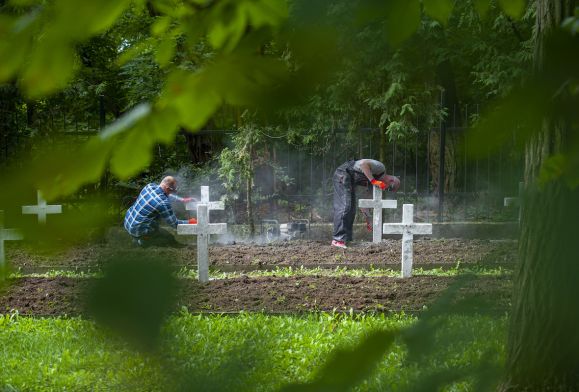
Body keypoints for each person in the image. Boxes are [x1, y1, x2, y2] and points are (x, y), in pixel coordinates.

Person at [332, 159, 400, 249]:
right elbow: (364, 164)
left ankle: (346, 239)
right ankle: (337, 240)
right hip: (343, 174)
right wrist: (372, 181)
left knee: (351, 209)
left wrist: (368, 218)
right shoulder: (380, 168)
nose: (385, 189)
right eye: (389, 189)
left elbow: (366, 202)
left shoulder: (375, 183)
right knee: (345, 207)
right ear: (391, 181)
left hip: (349, 180)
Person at [124, 176, 197, 247]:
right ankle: (142, 241)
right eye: (173, 190)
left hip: (128, 221)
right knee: (167, 238)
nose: (173, 192)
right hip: (137, 228)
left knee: (155, 225)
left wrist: (182, 200)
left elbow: (166, 195)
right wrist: (191, 222)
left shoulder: (150, 186)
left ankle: (137, 236)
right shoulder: (163, 202)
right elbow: (175, 224)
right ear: (167, 188)